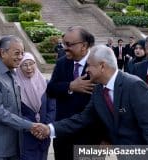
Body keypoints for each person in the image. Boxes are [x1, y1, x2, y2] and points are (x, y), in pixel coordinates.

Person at [32, 45, 148, 159]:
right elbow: (83, 119)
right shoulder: (98, 90)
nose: (87, 69)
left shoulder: (134, 86)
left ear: (102, 66)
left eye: (89, 65)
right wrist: (49, 129)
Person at [46, 26, 104, 160]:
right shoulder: (62, 63)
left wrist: (104, 137)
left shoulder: (99, 64)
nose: (64, 48)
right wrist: (70, 86)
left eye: (68, 44)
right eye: (63, 43)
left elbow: (106, 104)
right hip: (63, 136)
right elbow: (50, 90)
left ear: (84, 45)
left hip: (90, 137)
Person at [0, 35, 37, 160]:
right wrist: (29, 125)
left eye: (22, 53)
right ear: (3, 53)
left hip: (12, 146)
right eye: (16, 53)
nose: (20, 57)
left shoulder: (12, 74)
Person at [15, 52, 56, 160]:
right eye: (24, 65)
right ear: (19, 67)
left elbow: (52, 108)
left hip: (44, 138)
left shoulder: (46, 84)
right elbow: (16, 112)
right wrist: (33, 128)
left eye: (31, 63)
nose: (29, 68)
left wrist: (45, 127)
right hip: (26, 138)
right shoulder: (15, 87)